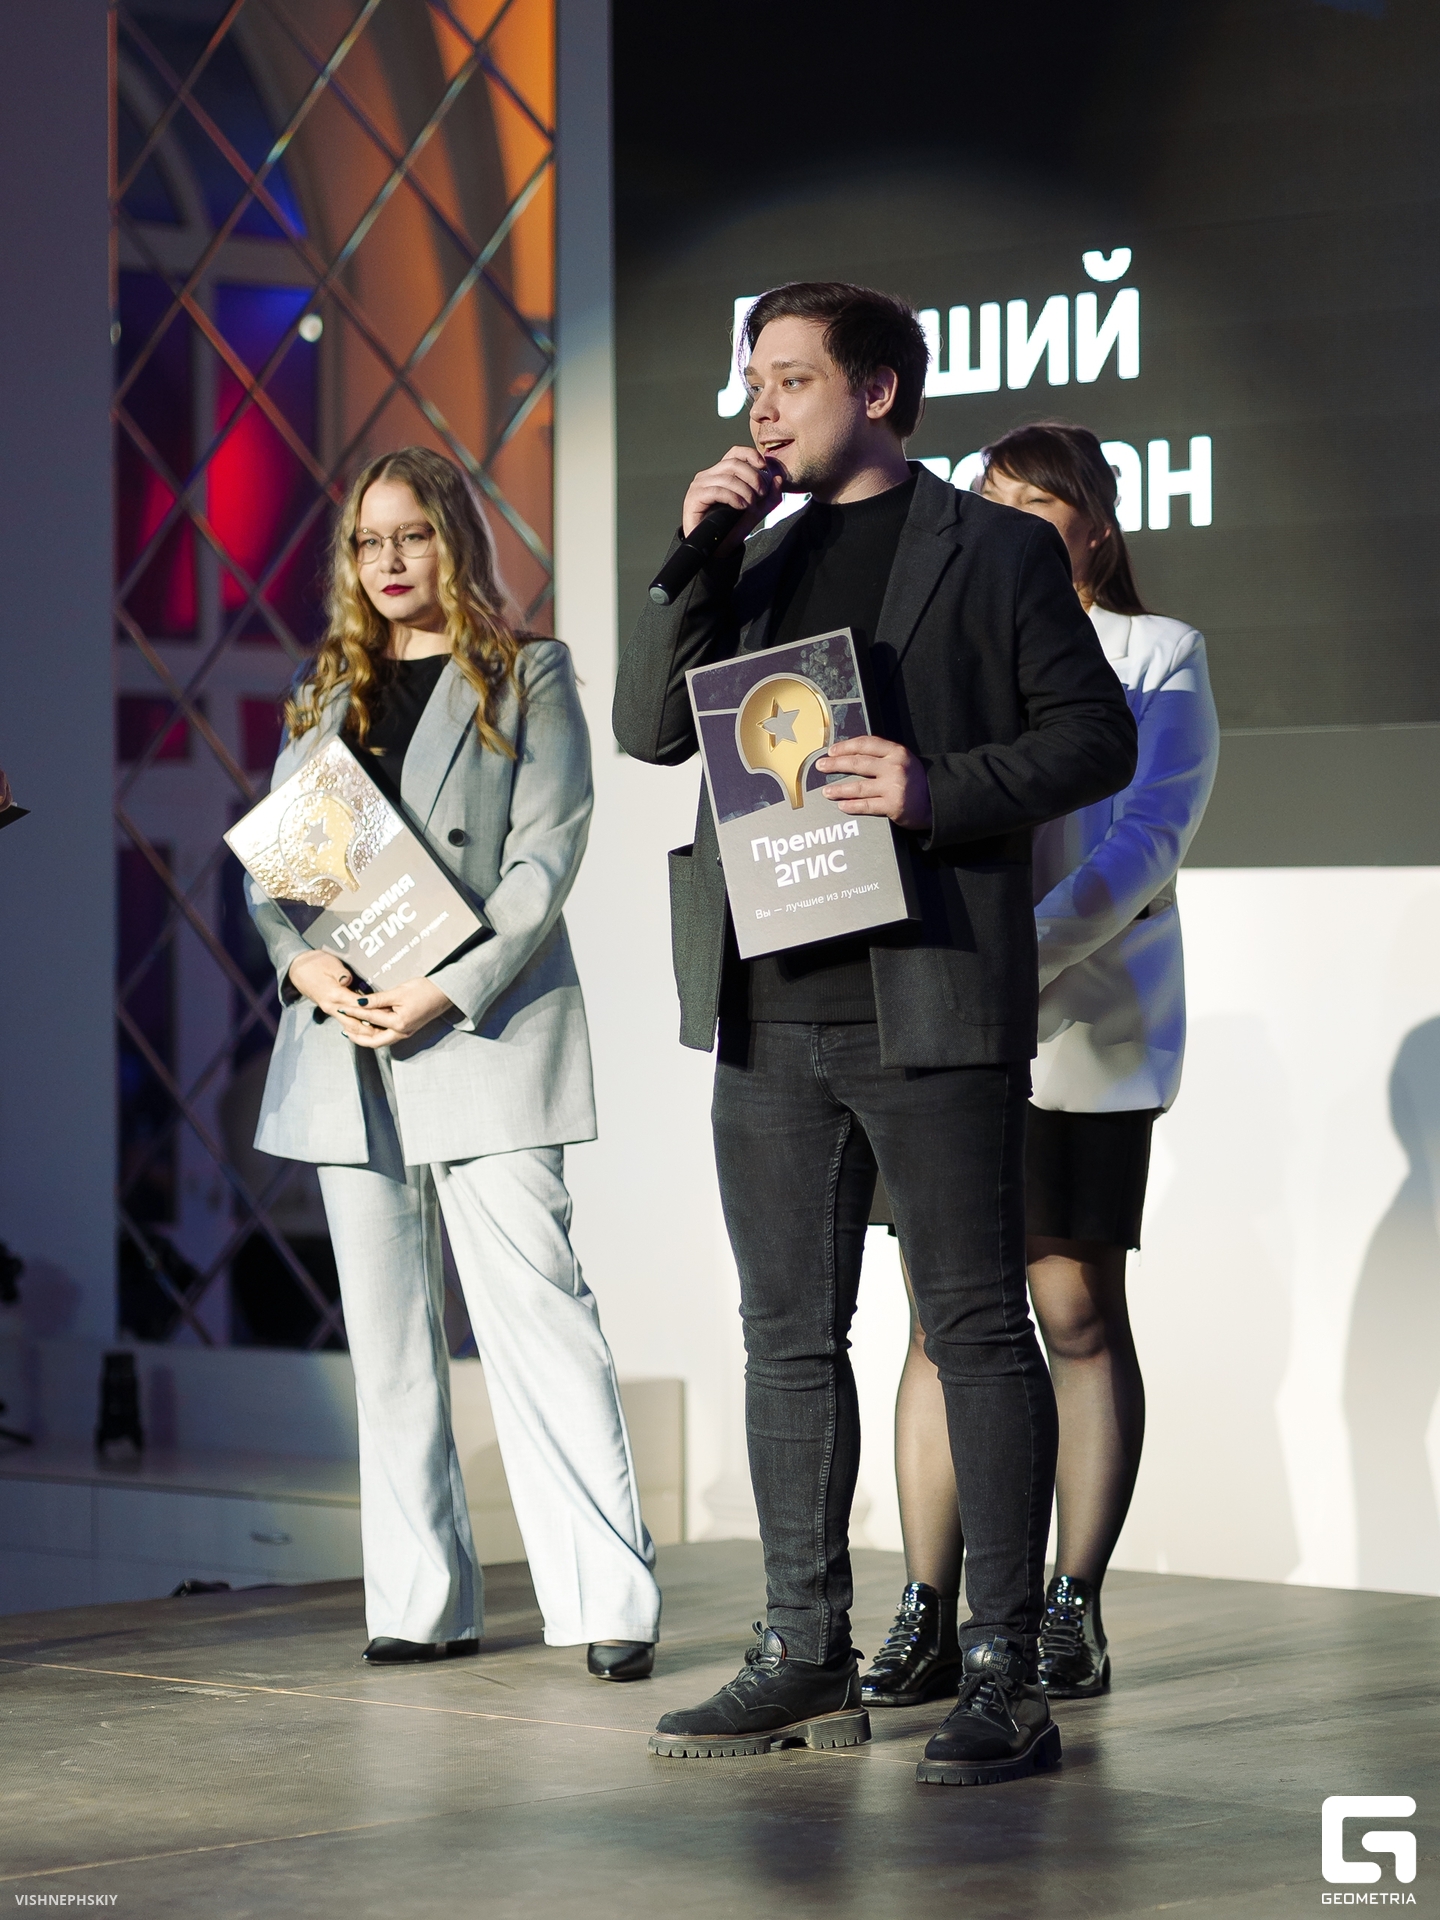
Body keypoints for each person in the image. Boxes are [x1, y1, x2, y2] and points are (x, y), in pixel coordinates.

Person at [614, 285, 1137, 1786]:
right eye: (753, 382)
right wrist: (697, 552)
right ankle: (802, 1650)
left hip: (930, 995)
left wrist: (934, 788)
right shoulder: (755, 556)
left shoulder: (997, 549)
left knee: (974, 1325)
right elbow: (653, 730)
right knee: (786, 1336)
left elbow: (1094, 737)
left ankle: (1005, 1672)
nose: (762, 406)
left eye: (791, 379)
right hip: (767, 1002)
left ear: (882, 390)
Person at [247, 446, 661, 1680]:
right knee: (387, 1345)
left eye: (412, 535)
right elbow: (281, 881)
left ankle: (606, 1601)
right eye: (368, 541)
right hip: (346, 1044)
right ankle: (421, 1602)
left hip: (482, 1026)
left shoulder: (529, 674)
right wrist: (301, 967)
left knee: (539, 1318)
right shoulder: (326, 694)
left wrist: (448, 984)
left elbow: (545, 860)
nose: (388, 561)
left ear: (455, 542)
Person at [860, 422, 1219, 1711]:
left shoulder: (1156, 652)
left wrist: (1025, 952)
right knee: (941, 1320)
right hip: (947, 1014)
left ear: (1096, 528)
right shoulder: (952, 638)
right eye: (990, 495)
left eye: (1035, 501)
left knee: (1072, 1310)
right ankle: (927, 1609)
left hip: (1080, 1025)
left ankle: (1073, 1604)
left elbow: (1147, 839)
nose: (1005, 515)